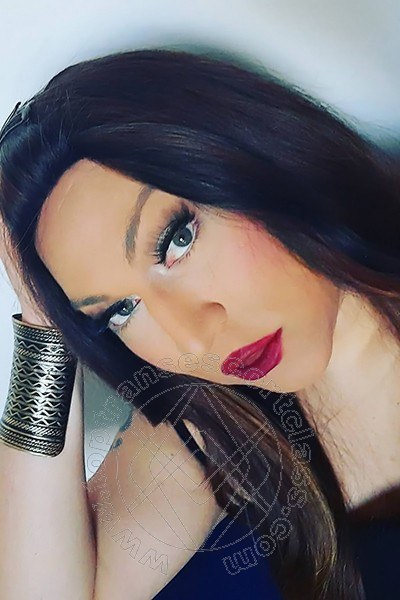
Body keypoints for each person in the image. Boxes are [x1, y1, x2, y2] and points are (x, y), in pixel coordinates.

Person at [0, 48, 399, 600]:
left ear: (254, 154)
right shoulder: (212, 435)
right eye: (119, 311)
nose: (191, 337)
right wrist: (44, 329)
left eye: (177, 241)